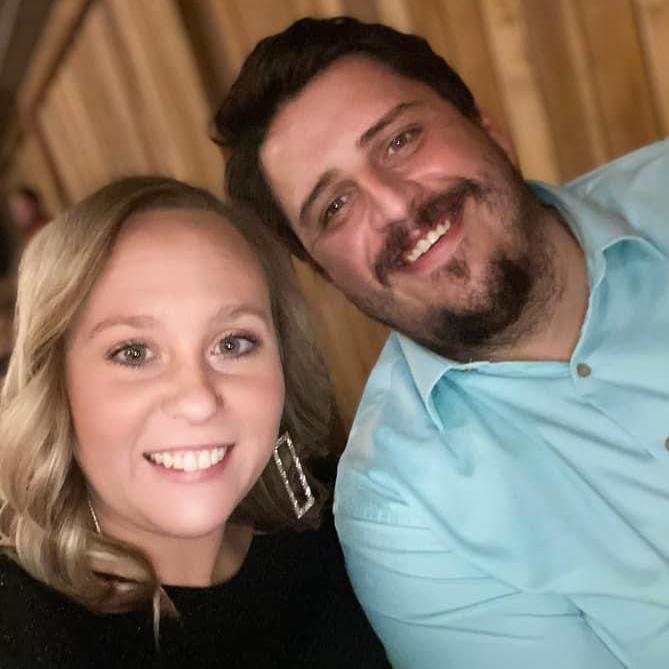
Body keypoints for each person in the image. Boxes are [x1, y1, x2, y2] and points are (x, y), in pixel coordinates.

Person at [213, 16, 669, 669]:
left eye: (399, 141)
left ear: (485, 126)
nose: (396, 207)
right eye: (335, 207)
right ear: (328, 276)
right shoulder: (403, 516)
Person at [0, 176, 390, 668]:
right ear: (55, 387)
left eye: (232, 343)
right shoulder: (20, 623)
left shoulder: (345, 520)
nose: (198, 400)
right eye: (134, 352)